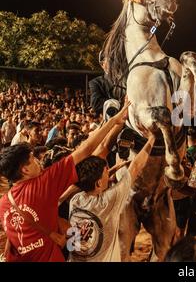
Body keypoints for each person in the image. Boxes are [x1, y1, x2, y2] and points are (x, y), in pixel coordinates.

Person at [0, 102, 131, 262]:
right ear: (24, 170)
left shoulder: (4, 203)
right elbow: (87, 150)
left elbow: (13, 241)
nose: (37, 161)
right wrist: (114, 121)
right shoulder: (43, 185)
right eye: (32, 159)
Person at [68, 132, 155, 262]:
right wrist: (153, 138)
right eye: (105, 172)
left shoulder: (75, 200)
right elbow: (136, 166)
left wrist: (116, 167)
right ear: (98, 183)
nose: (108, 175)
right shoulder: (109, 201)